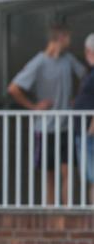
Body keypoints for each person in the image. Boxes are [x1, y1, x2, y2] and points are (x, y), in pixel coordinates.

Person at [8, 24, 87, 205]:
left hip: (66, 125)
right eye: (68, 37)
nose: (70, 42)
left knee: (67, 171)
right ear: (60, 38)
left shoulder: (68, 60)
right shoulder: (39, 61)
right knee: (49, 173)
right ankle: (51, 211)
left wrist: (78, 99)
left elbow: (86, 77)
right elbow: (13, 88)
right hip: (45, 128)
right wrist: (33, 107)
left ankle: (67, 210)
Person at [73, 34, 94, 205]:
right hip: (83, 129)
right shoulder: (89, 72)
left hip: (89, 131)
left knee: (92, 175)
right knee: (89, 176)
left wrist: (91, 128)